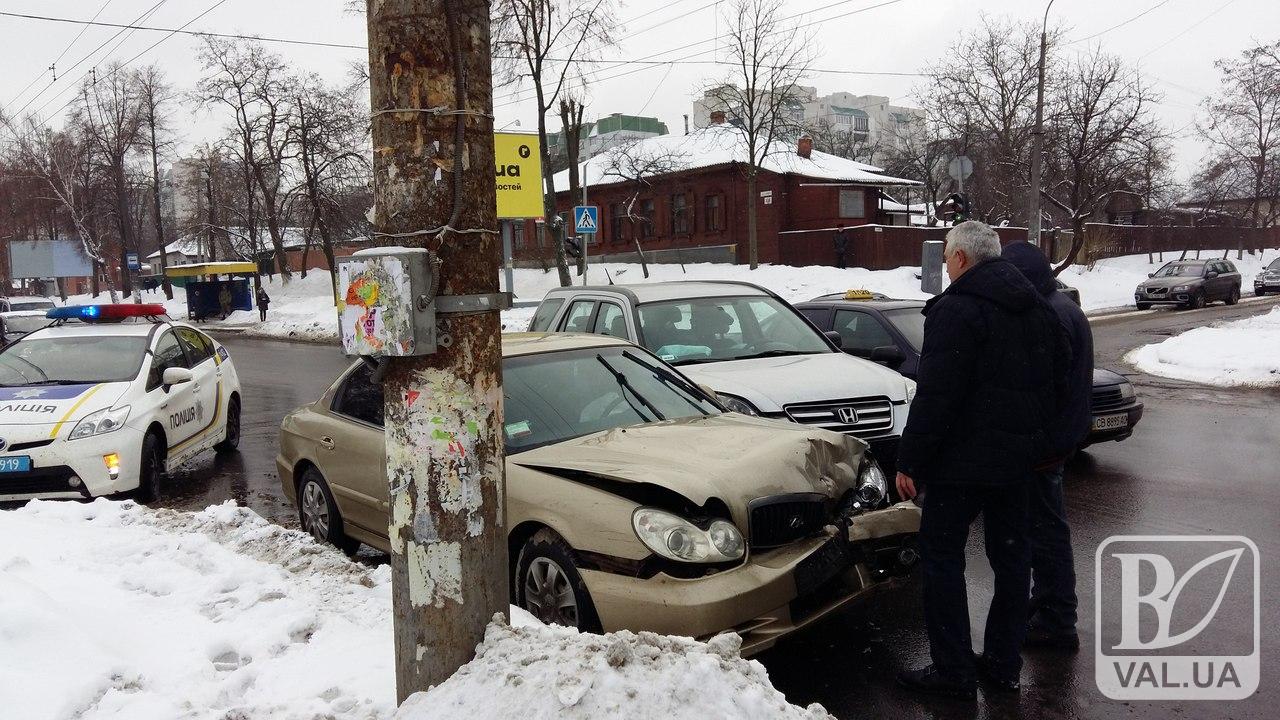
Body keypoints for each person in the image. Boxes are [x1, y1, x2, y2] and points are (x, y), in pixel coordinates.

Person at [894, 221, 1069, 699]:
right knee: (1013, 562)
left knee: (941, 561)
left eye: (948, 256)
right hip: (1017, 467)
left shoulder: (956, 310)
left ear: (962, 259)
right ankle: (1003, 662)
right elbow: (1058, 377)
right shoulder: (1036, 306)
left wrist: (911, 461)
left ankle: (952, 671)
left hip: (960, 468)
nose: (947, 265)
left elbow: (936, 396)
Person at [1002, 241, 1093, 652]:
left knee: (1045, 533)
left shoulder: (1049, 315)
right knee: (1046, 529)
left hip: (1044, 445)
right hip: (1057, 440)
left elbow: (1047, 386)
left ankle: (1057, 620)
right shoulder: (1064, 307)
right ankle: (1049, 611)